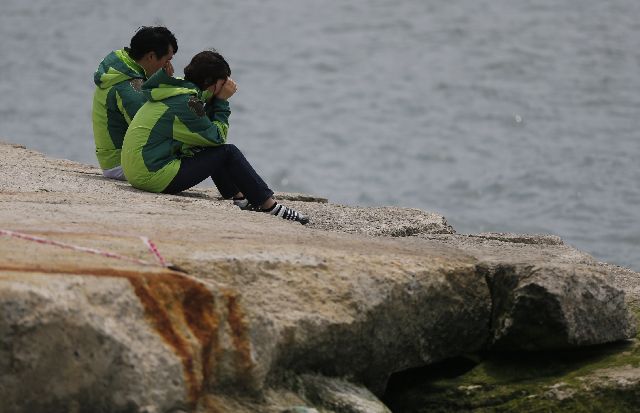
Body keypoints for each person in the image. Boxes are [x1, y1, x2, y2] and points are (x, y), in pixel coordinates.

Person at [121, 50, 309, 225]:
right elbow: (217, 138)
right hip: (151, 175)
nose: (227, 86)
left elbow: (203, 132)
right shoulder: (187, 102)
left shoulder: (177, 91)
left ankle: (240, 198)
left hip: (139, 171)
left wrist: (213, 100)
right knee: (228, 152)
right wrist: (221, 102)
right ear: (212, 83)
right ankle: (270, 206)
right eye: (223, 82)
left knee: (209, 148)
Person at [92, 26, 178, 180]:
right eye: (167, 60)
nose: (168, 66)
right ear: (151, 57)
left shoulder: (122, 67)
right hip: (121, 164)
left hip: (114, 158)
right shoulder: (129, 87)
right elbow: (151, 131)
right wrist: (166, 84)